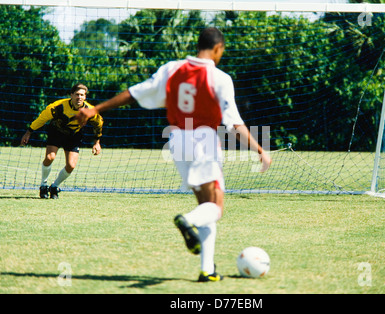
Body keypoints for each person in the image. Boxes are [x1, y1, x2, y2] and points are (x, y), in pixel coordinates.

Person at [75, 28, 271, 282]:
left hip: (176, 141)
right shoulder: (219, 78)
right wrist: (259, 150)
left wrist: (96, 109)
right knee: (216, 206)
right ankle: (186, 221)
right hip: (204, 141)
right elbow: (234, 123)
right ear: (218, 48)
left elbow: (134, 93)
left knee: (205, 204)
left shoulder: (172, 69)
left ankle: (207, 270)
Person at [21, 83, 103, 199]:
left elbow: (99, 124)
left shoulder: (89, 111)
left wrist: (97, 142)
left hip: (74, 136)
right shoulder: (58, 107)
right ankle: (43, 186)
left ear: (85, 97)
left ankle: (54, 187)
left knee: (71, 165)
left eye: (82, 95)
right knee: (50, 157)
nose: (79, 97)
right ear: (71, 95)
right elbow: (42, 118)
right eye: (77, 94)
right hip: (56, 132)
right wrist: (29, 132)